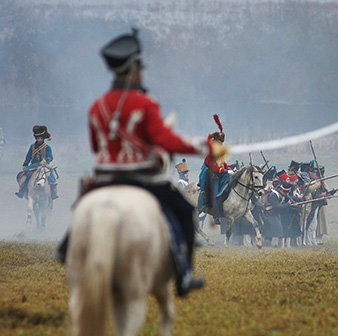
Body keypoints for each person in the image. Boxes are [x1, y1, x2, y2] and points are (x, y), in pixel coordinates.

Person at [54, 28, 227, 297]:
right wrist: (205, 146)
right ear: (134, 70)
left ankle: (66, 247)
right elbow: (166, 140)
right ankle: (184, 275)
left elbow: (94, 146)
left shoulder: (96, 106)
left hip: (104, 179)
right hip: (141, 179)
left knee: (83, 207)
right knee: (183, 211)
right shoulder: (145, 104)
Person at [198, 114, 234, 225]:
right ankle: (215, 213)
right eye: (219, 143)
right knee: (215, 193)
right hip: (210, 175)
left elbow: (223, 163)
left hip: (220, 175)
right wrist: (226, 171)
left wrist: (230, 169)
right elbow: (214, 167)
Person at [15, 125, 58, 200]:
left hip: (44, 165)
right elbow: (28, 156)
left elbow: (50, 157)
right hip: (34, 165)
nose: (40, 139)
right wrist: (25, 164)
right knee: (24, 175)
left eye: (41, 138)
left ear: (43, 139)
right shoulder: (32, 147)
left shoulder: (47, 147)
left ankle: (53, 192)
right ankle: (21, 190)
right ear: (36, 138)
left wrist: (46, 160)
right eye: (38, 138)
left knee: (51, 175)